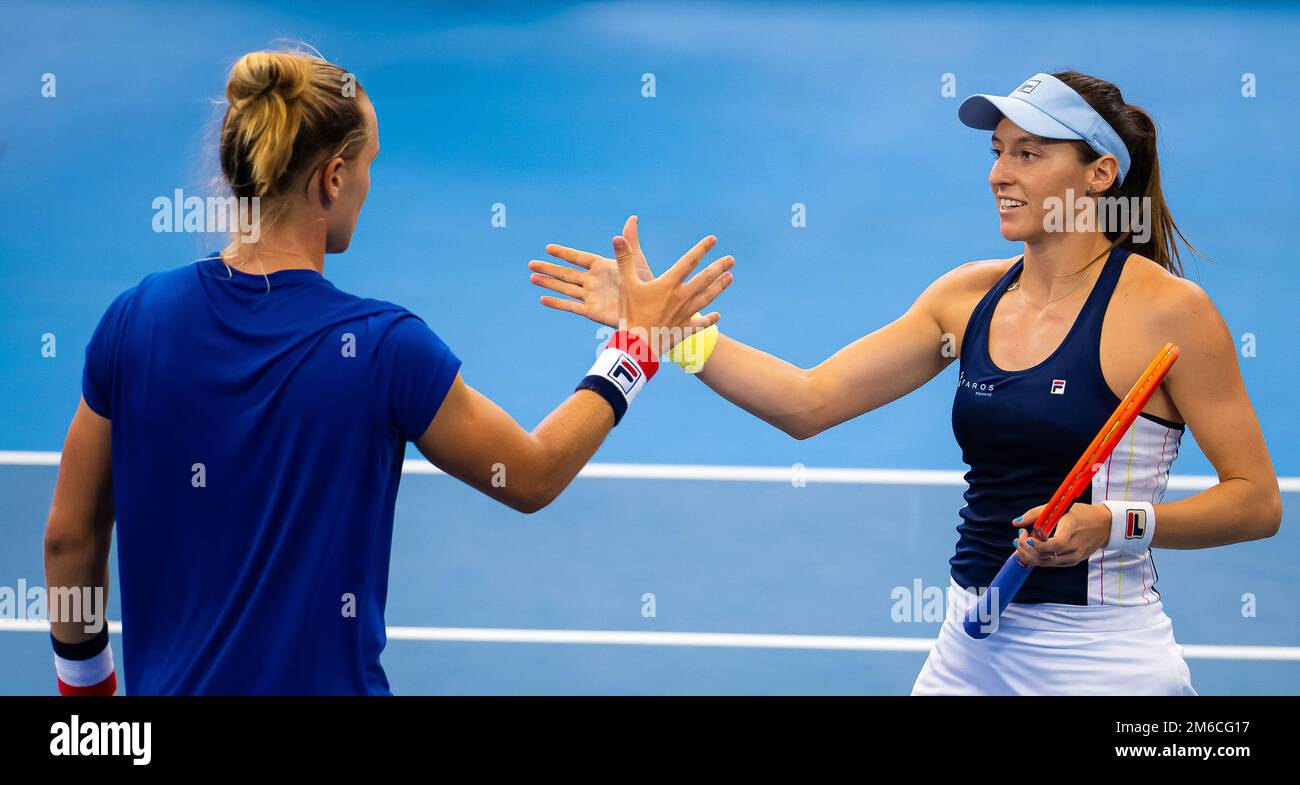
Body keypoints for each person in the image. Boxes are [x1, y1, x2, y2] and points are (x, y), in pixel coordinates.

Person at [528, 71, 1283, 695]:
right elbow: (807, 401)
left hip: (1106, 663)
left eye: (1028, 153)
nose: (998, 174)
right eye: (997, 151)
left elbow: (1256, 500)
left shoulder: (1169, 314)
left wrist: (1114, 523)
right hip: (969, 650)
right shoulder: (966, 298)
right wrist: (665, 331)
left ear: (1100, 173)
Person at [41, 48, 734, 695]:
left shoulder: (135, 319)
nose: (370, 183)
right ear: (332, 179)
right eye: (368, 163)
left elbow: (69, 538)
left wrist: (92, 700)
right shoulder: (382, 348)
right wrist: (637, 349)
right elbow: (531, 474)